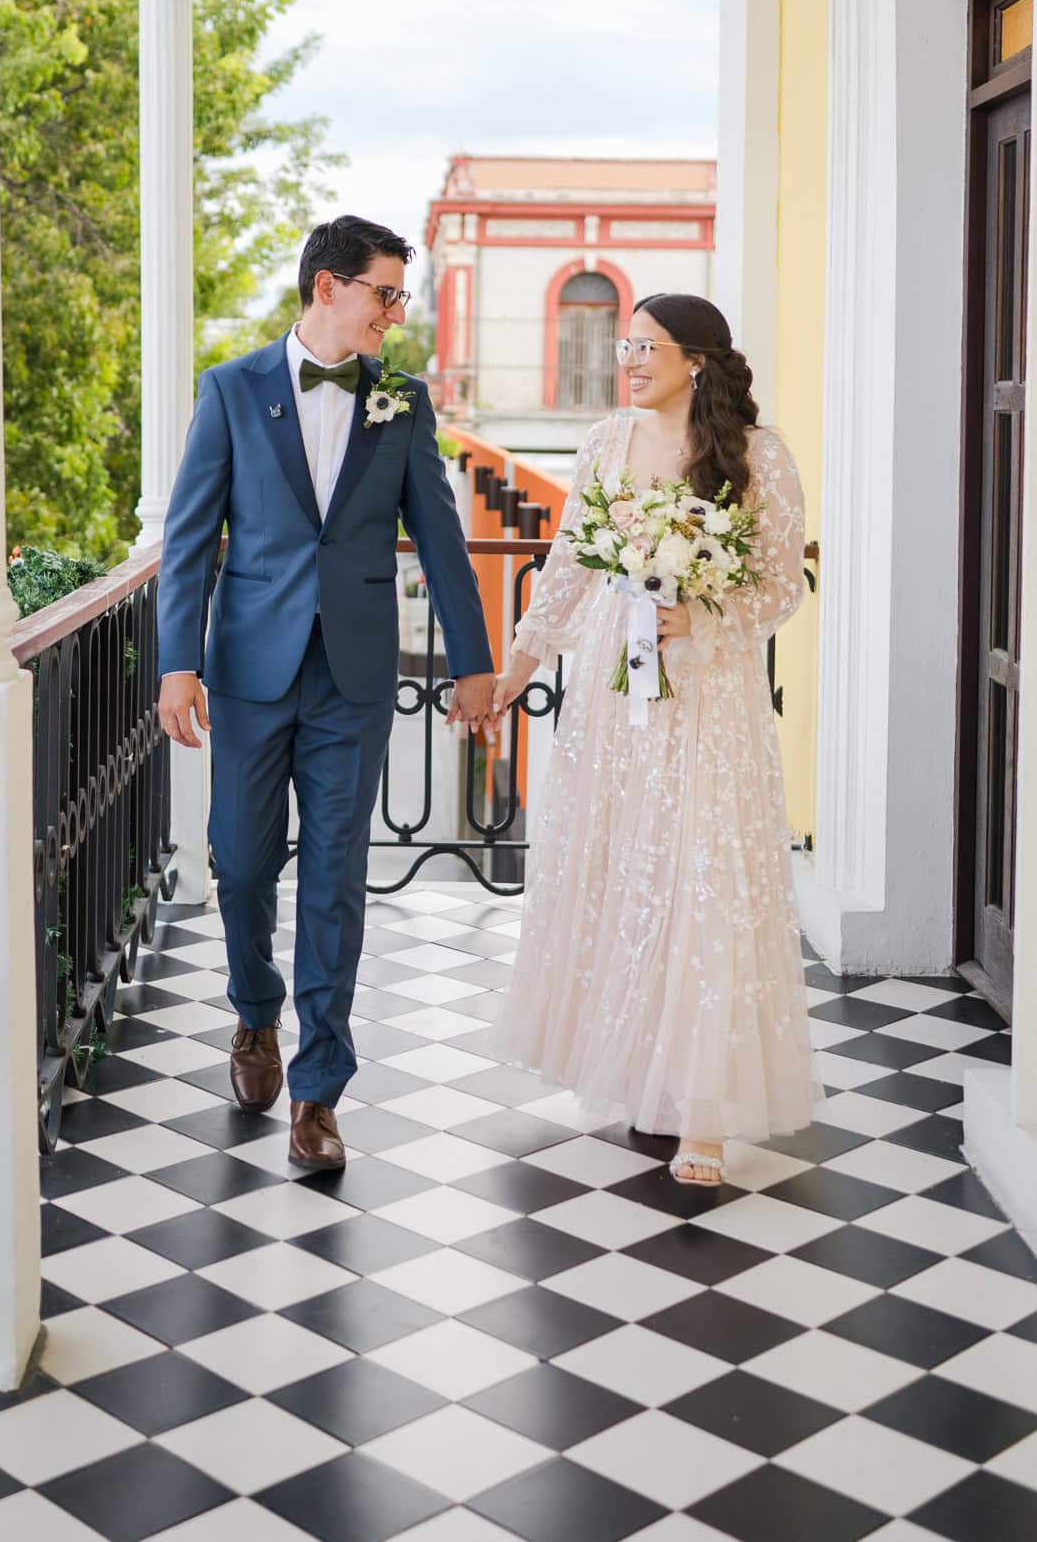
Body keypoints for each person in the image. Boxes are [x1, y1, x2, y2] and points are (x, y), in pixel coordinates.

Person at [156, 216, 494, 1170]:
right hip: (250, 674)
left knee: (337, 880)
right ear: (327, 290)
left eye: (399, 295)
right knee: (245, 862)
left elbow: (440, 539)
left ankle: (318, 1089)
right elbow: (188, 539)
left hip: (352, 678)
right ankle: (254, 1012)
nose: (397, 310)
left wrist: (473, 662)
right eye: (385, 292)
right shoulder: (231, 390)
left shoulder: (404, 401)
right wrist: (175, 661)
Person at [489, 292, 816, 1186]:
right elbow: (566, 564)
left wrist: (700, 616)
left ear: (697, 360)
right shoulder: (603, 442)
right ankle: (640, 1066)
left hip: (707, 696)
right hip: (609, 691)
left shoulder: (758, 456)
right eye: (626, 342)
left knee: (699, 872)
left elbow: (783, 583)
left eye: (646, 345)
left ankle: (703, 1111)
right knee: (622, 867)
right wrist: (520, 662)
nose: (628, 357)